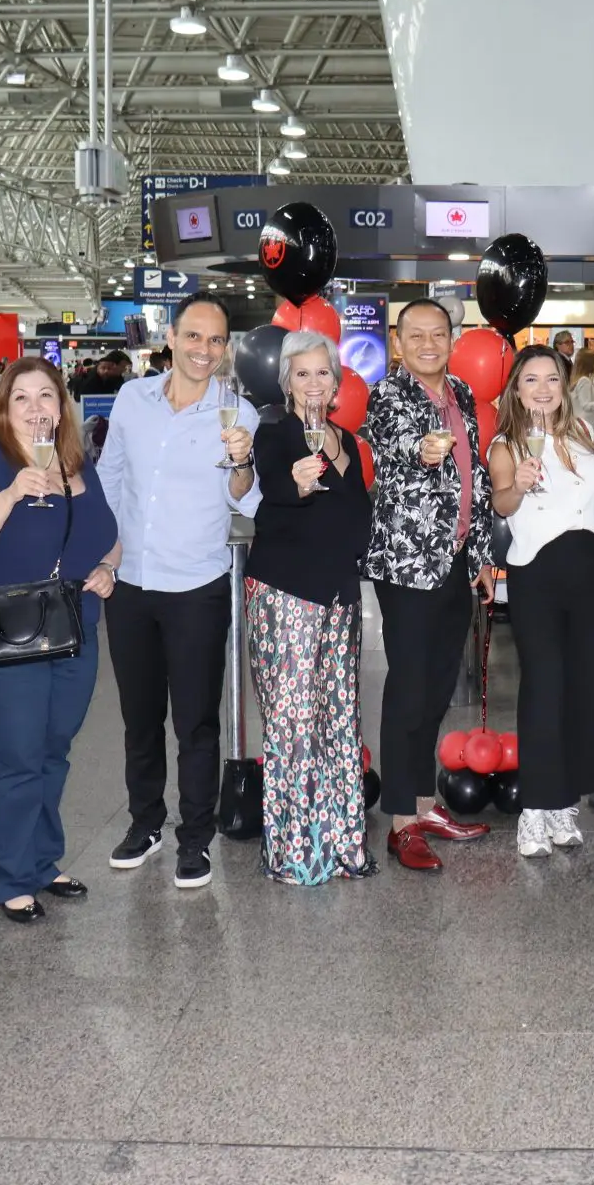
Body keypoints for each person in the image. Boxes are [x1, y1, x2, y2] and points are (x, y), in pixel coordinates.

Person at [0, 358, 119, 921]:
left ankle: (44, 861)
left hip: (71, 628)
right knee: (17, 756)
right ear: (3, 407)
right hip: (5, 631)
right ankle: (10, 876)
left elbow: (108, 533)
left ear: (61, 404)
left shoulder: (77, 462)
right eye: (21, 398)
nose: (36, 408)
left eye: (46, 396)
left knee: (52, 752)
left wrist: (108, 569)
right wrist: (14, 493)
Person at [97, 298, 258, 889]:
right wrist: (105, 553)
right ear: (171, 336)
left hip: (196, 585)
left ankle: (195, 838)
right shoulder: (133, 400)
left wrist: (242, 463)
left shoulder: (237, 413)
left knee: (195, 720)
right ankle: (144, 824)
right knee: (139, 717)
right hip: (131, 582)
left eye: (216, 342)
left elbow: (246, 499)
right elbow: (111, 476)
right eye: (194, 336)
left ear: (226, 349)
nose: (204, 351)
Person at [360, 299, 497, 871]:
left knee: (439, 686)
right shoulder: (388, 396)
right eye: (415, 335)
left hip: (456, 560)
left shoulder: (462, 393)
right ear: (398, 342)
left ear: (452, 338)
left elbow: (476, 478)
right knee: (409, 687)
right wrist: (422, 450)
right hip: (409, 566)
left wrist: (483, 556)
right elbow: (394, 446)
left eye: (437, 333)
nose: (427, 343)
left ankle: (423, 803)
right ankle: (399, 823)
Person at [245, 330, 374, 884]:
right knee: (293, 727)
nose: (314, 382)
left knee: (339, 721)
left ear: (337, 381)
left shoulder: (346, 437)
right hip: (287, 595)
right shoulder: (275, 432)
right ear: (287, 382)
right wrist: (296, 483)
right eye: (302, 373)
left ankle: (345, 846)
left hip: (339, 596)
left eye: (323, 372)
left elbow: (357, 511)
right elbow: (272, 481)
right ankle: (296, 854)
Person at [488, 345, 594, 857]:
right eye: (531, 380)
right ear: (516, 389)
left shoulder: (581, 435)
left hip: (589, 571)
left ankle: (565, 803)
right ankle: (534, 810)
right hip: (537, 572)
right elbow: (501, 503)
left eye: (552, 380)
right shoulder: (507, 444)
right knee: (544, 687)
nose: (543, 389)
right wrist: (516, 486)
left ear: (565, 387)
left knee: (584, 689)